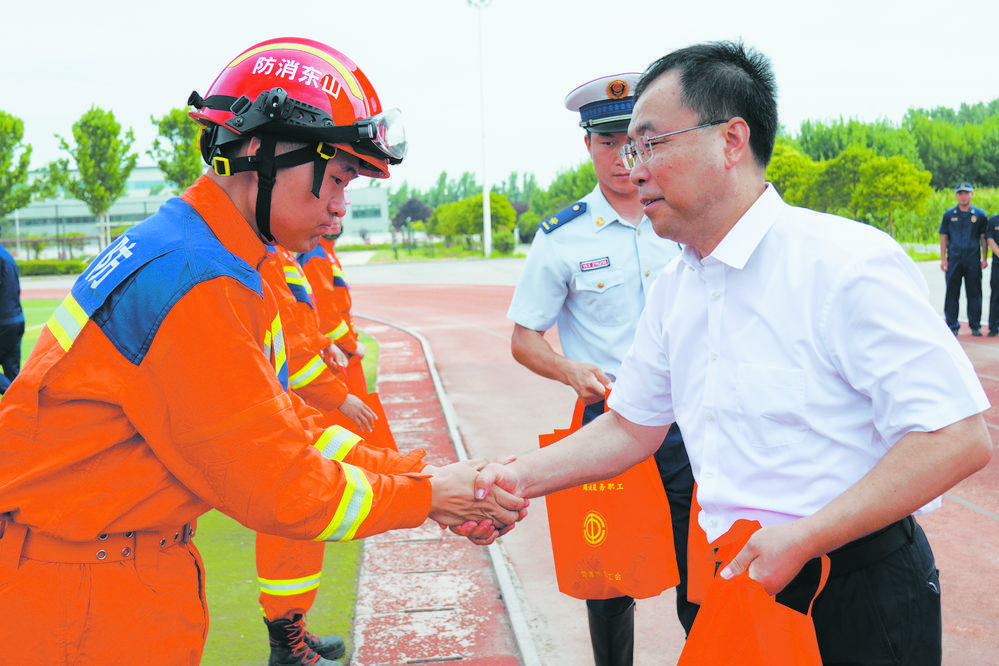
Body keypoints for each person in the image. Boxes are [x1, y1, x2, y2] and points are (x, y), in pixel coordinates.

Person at [0, 37, 523, 666]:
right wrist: (430, 495)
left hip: (104, 569)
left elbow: (280, 419)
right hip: (82, 595)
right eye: (335, 177)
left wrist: (416, 477)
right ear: (259, 151)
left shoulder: (215, 256)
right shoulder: (197, 278)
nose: (340, 205)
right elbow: (277, 482)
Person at [475, 41, 992, 665]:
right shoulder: (678, 289)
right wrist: (514, 479)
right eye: (628, 149)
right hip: (740, 585)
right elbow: (629, 426)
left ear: (731, 139)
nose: (634, 168)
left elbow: (957, 436)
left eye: (651, 143)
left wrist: (805, 538)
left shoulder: (843, 265)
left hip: (852, 595)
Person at [505, 73, 697, 664]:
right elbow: (523, 339)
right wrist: (570, 370)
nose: (623, 156)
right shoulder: (560, 239)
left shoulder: (685, 220)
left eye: (635, 141)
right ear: (587, 144)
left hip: (691, 424)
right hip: (607, 423)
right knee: (610, 585)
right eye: (608, 141)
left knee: (707, 576)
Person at [940, 182, 988, 336]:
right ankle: (952, 324)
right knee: (952, 292)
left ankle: (975, 325)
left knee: (974, 292)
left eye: (966, 193)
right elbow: (944, 237)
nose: (963, 196)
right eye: (960, 193)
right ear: (956, 195)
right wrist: (943, 259)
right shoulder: (949, 215)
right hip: (954, 259)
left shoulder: (979, 215)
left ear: (972, 194)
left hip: (972, 259)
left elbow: (983, 238)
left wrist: (985, 258)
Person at [0, 236, 24, 394]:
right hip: (16, 319)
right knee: (12, 372)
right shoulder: (7, 256)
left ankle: (15, 399)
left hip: (3, 321)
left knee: (12, 375)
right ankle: (24, 412)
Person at [985, 211, 999, 336]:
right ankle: (994, 327)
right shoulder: (993, 220)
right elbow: (990, 240)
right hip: (998, 265)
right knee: (996, 296)